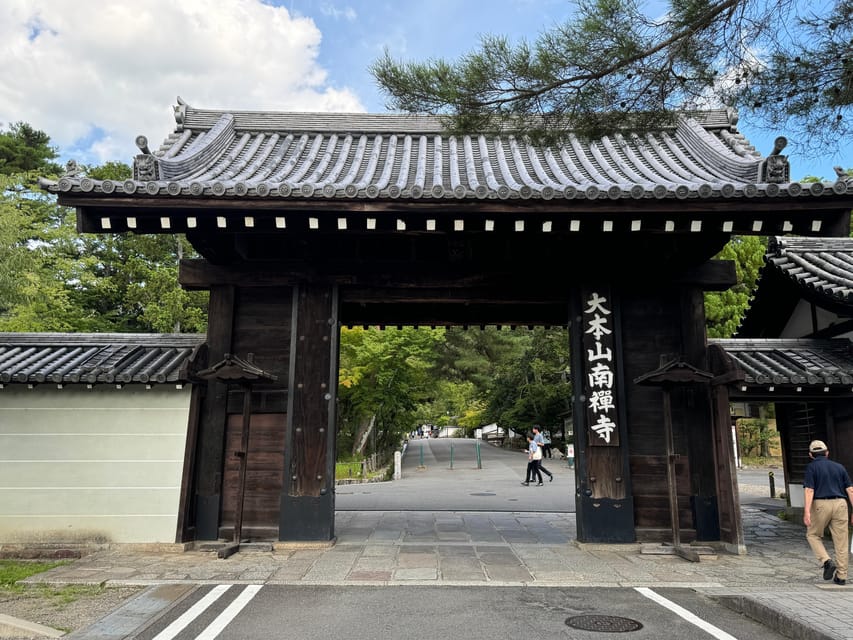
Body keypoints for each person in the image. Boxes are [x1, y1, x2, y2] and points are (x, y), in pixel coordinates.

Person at [803, 439, 853, 586]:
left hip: (820, 504)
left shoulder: (811, 468)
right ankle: (841, 576)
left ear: (811, 455)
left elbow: (809, 490)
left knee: (813, 535)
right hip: (841, 504)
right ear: (827, 453)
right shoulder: (839, 467)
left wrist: (807, 511)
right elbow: (850, 489)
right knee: (841, 541)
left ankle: (826, 561)